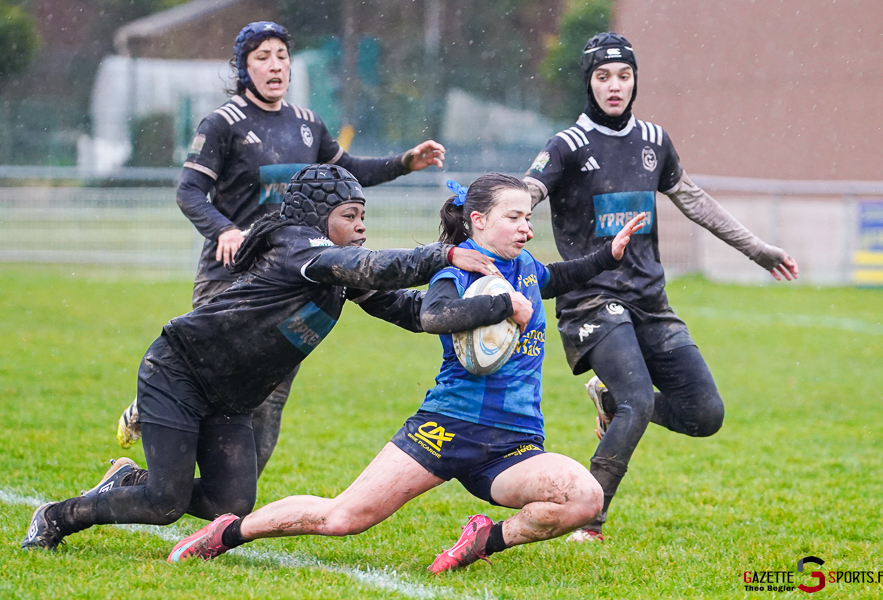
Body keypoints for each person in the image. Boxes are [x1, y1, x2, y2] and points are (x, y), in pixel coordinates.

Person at [166, 173, 647, 572]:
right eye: (515, 217)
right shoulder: (455, 276)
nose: (527, 228)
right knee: (344, 517)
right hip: (444, 428)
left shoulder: (525, 268)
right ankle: (226, 532)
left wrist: (610, 255)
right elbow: (436, 317)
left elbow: (558, 277)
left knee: (584, 499)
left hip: (512, 441)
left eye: (529, 218)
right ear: (478, 221)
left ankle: (483, 541)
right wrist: (502, 305)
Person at [21, 165, 499, 552]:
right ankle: (57, 515)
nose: (361, 227)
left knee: (229, 504)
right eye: (350, 215)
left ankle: (127, 479)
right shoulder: (299, 246)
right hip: (179, 373)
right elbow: (370, 265)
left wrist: (486, 309)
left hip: (231, 398)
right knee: (163, 504)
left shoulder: (335, 268)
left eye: (362, 216)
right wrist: (444, 254)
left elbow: (413, 312)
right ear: (318, 217)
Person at [114, 21, 449, 476]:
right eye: (262, 57)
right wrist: (225, 230)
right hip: (231, 275)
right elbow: (189, 191)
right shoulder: (222, 123)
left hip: (296, 282)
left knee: (266, 396)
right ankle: (155, 409)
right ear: (242, 67)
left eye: (281, 56)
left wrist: (404, 163)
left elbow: (347, 172)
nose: (275, 65)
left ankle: (228, 505)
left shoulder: (308, 124)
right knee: (208, 376)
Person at [522, 32, 800, 542]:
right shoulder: (568, 145)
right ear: (588, 82)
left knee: (704, 413)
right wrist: (498, 223)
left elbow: (693, 199)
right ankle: (591, 520)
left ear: (634, 81)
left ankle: (610, 405)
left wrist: (758, 249)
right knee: (639, 401)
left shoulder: (654, 140)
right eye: (603, 76)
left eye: (623, 76)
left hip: (650, 300)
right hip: (592, 300)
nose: (614, 86)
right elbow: (528, 191)